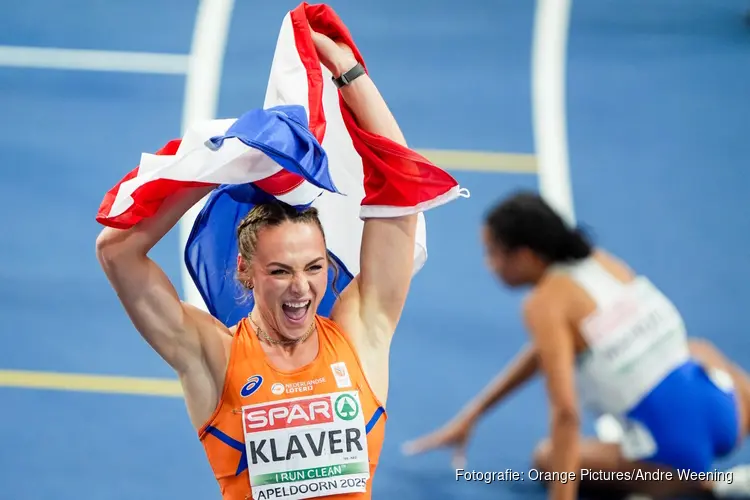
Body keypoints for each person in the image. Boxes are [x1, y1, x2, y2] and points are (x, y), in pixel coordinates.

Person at [95, 28, 442, 500]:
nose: (301, 288)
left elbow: (403, 191)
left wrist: (349, 72)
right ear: (245, 270)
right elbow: (116, 251)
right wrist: (219, 167)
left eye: (314, 268)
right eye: (280, 271)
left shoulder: (362, 335)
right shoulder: (212, 355)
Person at [403, 190, 750, 499]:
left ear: (525, 255)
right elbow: (550, 350)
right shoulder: (600, 262)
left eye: (493, 253)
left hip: (675, 452)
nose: (488, 264)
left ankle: (705, 486)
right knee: (699, 348)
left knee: (547, 458)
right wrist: (473, 415)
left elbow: (566, 414)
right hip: (729, 413)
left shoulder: (544, 304)